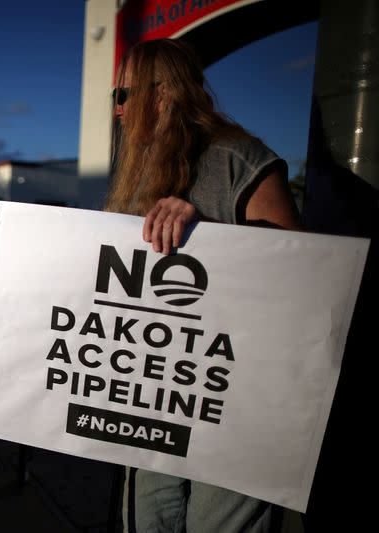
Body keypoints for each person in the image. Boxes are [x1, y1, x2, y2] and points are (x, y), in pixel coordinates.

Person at [106, 39, 301, 532]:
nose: (120, 109)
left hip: (233, 398)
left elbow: (299, 264)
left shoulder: (239, 157)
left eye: (125, 94)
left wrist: (205, 233)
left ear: (164, 93)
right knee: (147, 519)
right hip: (157, 392)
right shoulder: (139, 174)